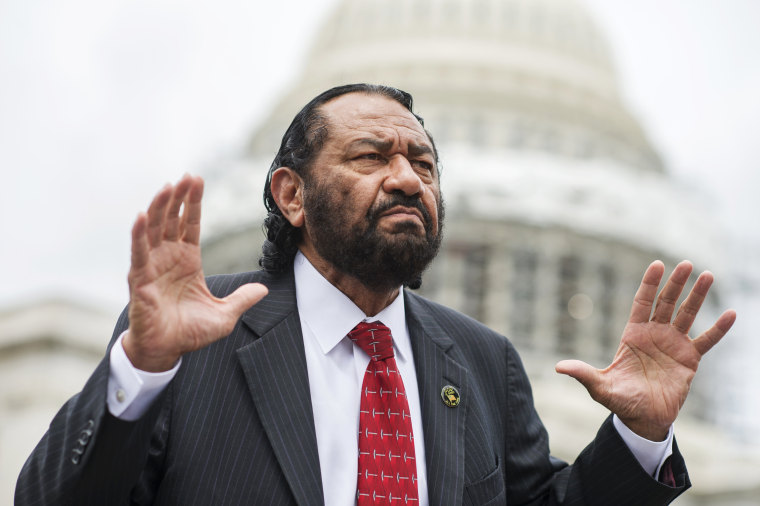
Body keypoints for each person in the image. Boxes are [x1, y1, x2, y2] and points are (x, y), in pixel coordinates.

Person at [16, 84, 735, 505]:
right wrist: (140, 369)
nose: (407, 178)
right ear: (291, 195)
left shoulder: (483, 363)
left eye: (423, 162)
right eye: (370, 156)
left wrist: (638, 439)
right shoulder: (195, 342)